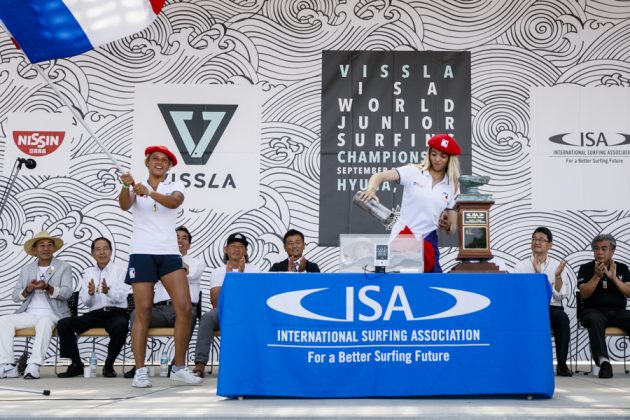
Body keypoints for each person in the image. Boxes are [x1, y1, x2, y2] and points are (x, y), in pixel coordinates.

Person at [119, 145, 201, 387]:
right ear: (148, 162)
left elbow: (174, 203)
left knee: (185, 308)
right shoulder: (135, 186)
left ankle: (178, 367)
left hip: (168, 254)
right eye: (155, 158)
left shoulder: (174, 186)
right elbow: (124, 205)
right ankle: (141, 370)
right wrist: (127, 186)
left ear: (169, 166)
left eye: (164, 160)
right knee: (143, 310)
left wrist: (150, 193)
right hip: (142, 253)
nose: (159, 162)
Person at [359, 133, 461, 272]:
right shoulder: (414, 171)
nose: (437, 159)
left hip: (428, 242)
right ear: (428, 154)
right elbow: (380, 176)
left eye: (443, 156)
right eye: (434, 154)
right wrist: (372, 189)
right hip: (403, 237)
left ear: (450, 159)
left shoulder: (453, 186)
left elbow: (453, 228)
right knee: (396, 282)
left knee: (431, 287)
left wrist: (447, 225)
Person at [123, 226, 205, 379]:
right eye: (177, 237)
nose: (180, 240)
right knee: (137, 314)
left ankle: (177, 365)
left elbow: (189, 274)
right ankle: (139, 365)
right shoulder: (155, 260)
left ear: (190, 244)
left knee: (189, 314)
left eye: (184, 238)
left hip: (181, 311)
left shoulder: (197, 262)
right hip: (159, 310)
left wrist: (171, 267)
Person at [0, 231, 73, 380]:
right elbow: (15, 296)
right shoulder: (27, 269)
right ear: (35, 250)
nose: (46, 248)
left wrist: (47, 287)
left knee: (44, 321)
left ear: (53, 248)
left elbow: (67, 293)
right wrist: (28, 289)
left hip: (53, 313)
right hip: (29, 313)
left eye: (49, 245)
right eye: (42, 245)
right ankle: (7, 366)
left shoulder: (63, 267)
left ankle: (34, 365)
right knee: (4, 320)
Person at [56, 237, 130, 378]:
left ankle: (109, 365)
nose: (102, 252)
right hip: (95, 314)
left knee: (121, 325)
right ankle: (76, 364)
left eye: (105, 249)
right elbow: (86, 302)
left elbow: (122, 297)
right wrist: (90, 294)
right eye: (98, 249)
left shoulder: (121, 270)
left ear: (111, 251)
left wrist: (108, 291)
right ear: (92, 253)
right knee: (64, 324)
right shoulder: (88, 273)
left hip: (116, 313)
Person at [192, 233, 260, 377]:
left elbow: (253, 300)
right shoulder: (218, 271)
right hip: (223, 311)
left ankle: (254, 365)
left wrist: (239, 278)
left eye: (241, 247)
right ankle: (199, 365)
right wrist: (230, 279)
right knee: (208, 317)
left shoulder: (254, 269)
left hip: (246, 312)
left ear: (246, 251)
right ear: (226, 249)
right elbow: (215, 302)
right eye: (233, 246)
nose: (237, 249)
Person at [512, 227, 571, 376]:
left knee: (562, 319)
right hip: (529, 309)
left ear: (550, 245)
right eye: (534, 238)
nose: (537, 242)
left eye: (541, 239)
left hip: (552, 308)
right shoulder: (521, 266)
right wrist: (539, 277)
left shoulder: (557, 266)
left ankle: (562, 364)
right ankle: (523, 363)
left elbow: (560, 297)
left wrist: (557, 277)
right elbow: (518, 294)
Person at [577, 233, 630, 379]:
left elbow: (629, 293)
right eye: (596, 248)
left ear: (612, 251)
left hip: (618, 312)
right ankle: (604, 362)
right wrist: (597, 276)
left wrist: (614, 278)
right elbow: (584, 294)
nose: (599, 252)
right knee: (594, 320)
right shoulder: (586, 268)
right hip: (592, 311)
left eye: (603, 249)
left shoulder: (622, 268)